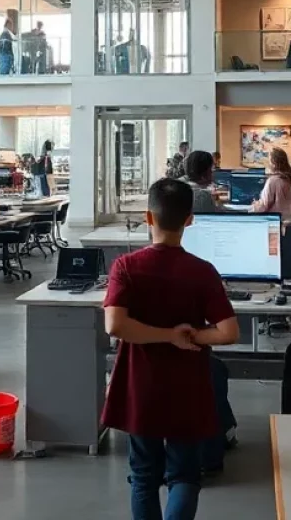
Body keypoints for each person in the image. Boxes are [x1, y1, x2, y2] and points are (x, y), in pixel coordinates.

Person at [101, 178, 240, 520]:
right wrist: (188, 336)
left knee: (144, 476)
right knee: (185, 476)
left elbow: (114, 325)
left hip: (141, 384)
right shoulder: (202, 272)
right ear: (189, 220)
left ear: (148, 217)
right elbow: (228, 332)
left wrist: (165, 335)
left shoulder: (126, 267)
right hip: (187, 386)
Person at [250, 147, 291, 225]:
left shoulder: (273, 181)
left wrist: (255, 206)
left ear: (273, 163)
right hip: (289, 223)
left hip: (274, 224)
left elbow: (264, 206)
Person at [184, 150, 223, 215]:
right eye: (211, 170)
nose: (212, 174)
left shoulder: (182, 190)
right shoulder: (203, 197)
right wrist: (217, 201)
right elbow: (220, 216)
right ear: (204, 174)